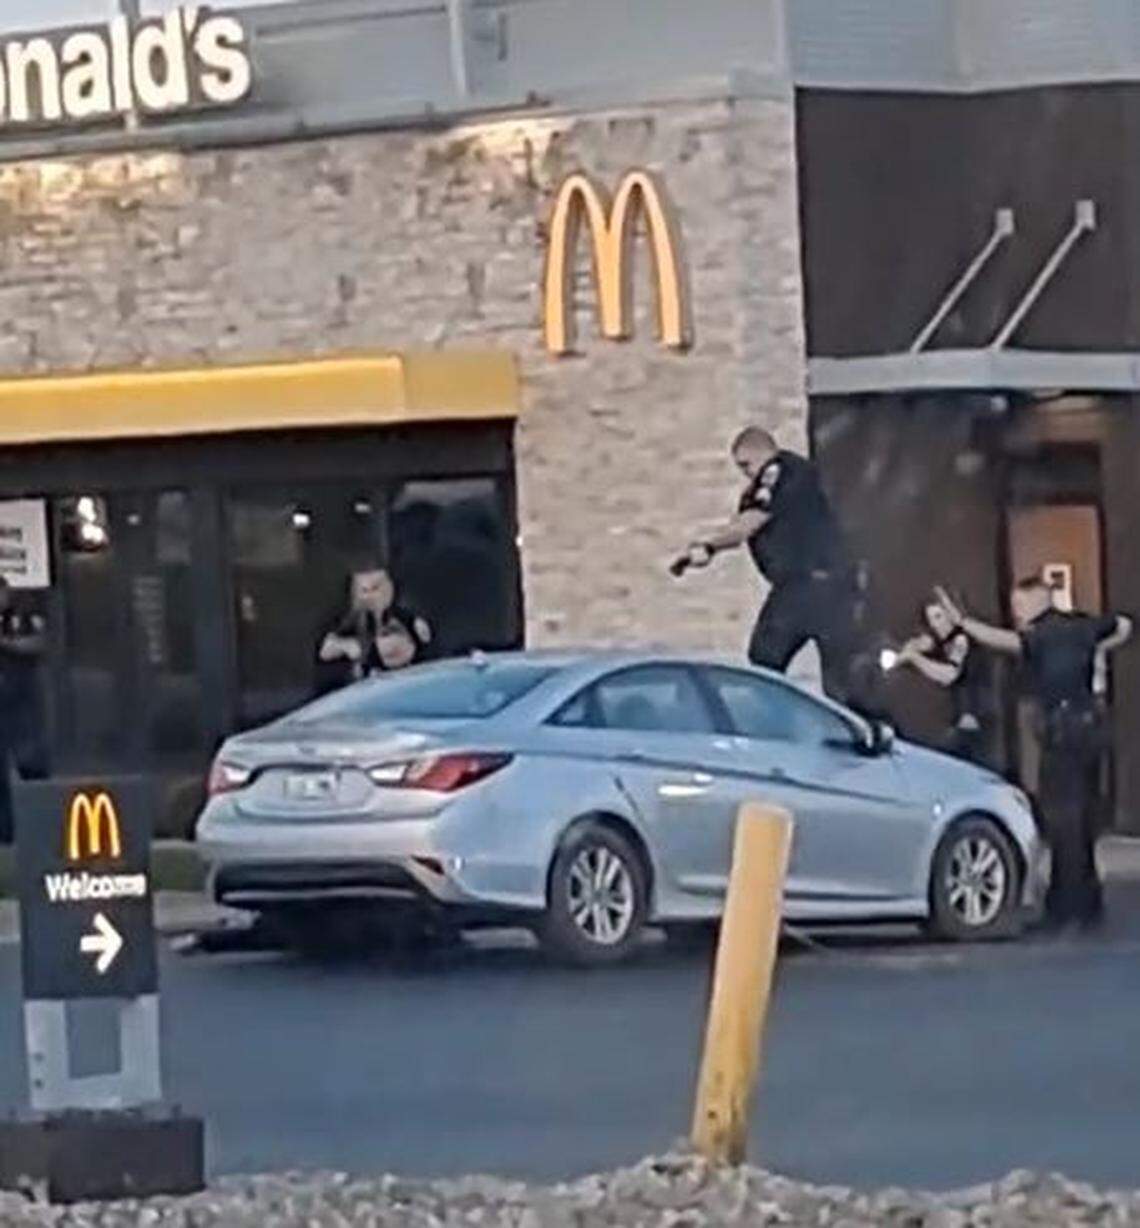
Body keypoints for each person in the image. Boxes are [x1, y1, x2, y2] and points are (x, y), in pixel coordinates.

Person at [937, 575, 1132, 931]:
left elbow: (1006, 642)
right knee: (1082, 822)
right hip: (1089, 730)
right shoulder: (1082, 625)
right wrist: (1098, 652)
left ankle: (1066, 907)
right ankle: (1088, 905)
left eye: (1020, 605)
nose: (1017, 613)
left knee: (1063, 823)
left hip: (1061, 734)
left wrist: (964, 623)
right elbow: (1123, 625)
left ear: (1037, 600)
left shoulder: (1042, 634)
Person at [670, 426, 862, 704]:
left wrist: (708, 546)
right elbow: (744, 524)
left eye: (745, 465)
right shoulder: (797, 475)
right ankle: (853, 723)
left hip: (804, 587)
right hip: (834, 587)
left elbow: (749, 523)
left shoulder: (777, 471)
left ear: (761, 453)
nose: (746, 473)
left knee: (764, 665)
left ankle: (771, 721)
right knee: (840, 679)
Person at [894, 596, 988, 764]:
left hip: (968, 726)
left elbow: (949, 675)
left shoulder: (961, 641)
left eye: (939, 617)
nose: (935, 625)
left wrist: (915, 658)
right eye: (930, 620)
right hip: (947, 722)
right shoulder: (941, 644)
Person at [316, 568, 432, 694]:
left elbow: (424, 641)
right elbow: (326, 651)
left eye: (376, 588)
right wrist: (346, 646)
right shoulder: (349, 622)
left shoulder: (406, 619)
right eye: (364, 590)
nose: (371, 596)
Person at [0, 579, 45, 843]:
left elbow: (38, 643)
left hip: (23, 701)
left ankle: (39, 827)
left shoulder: (23, 613)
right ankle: (5, 834)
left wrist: (7, 643)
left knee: (32, 764)